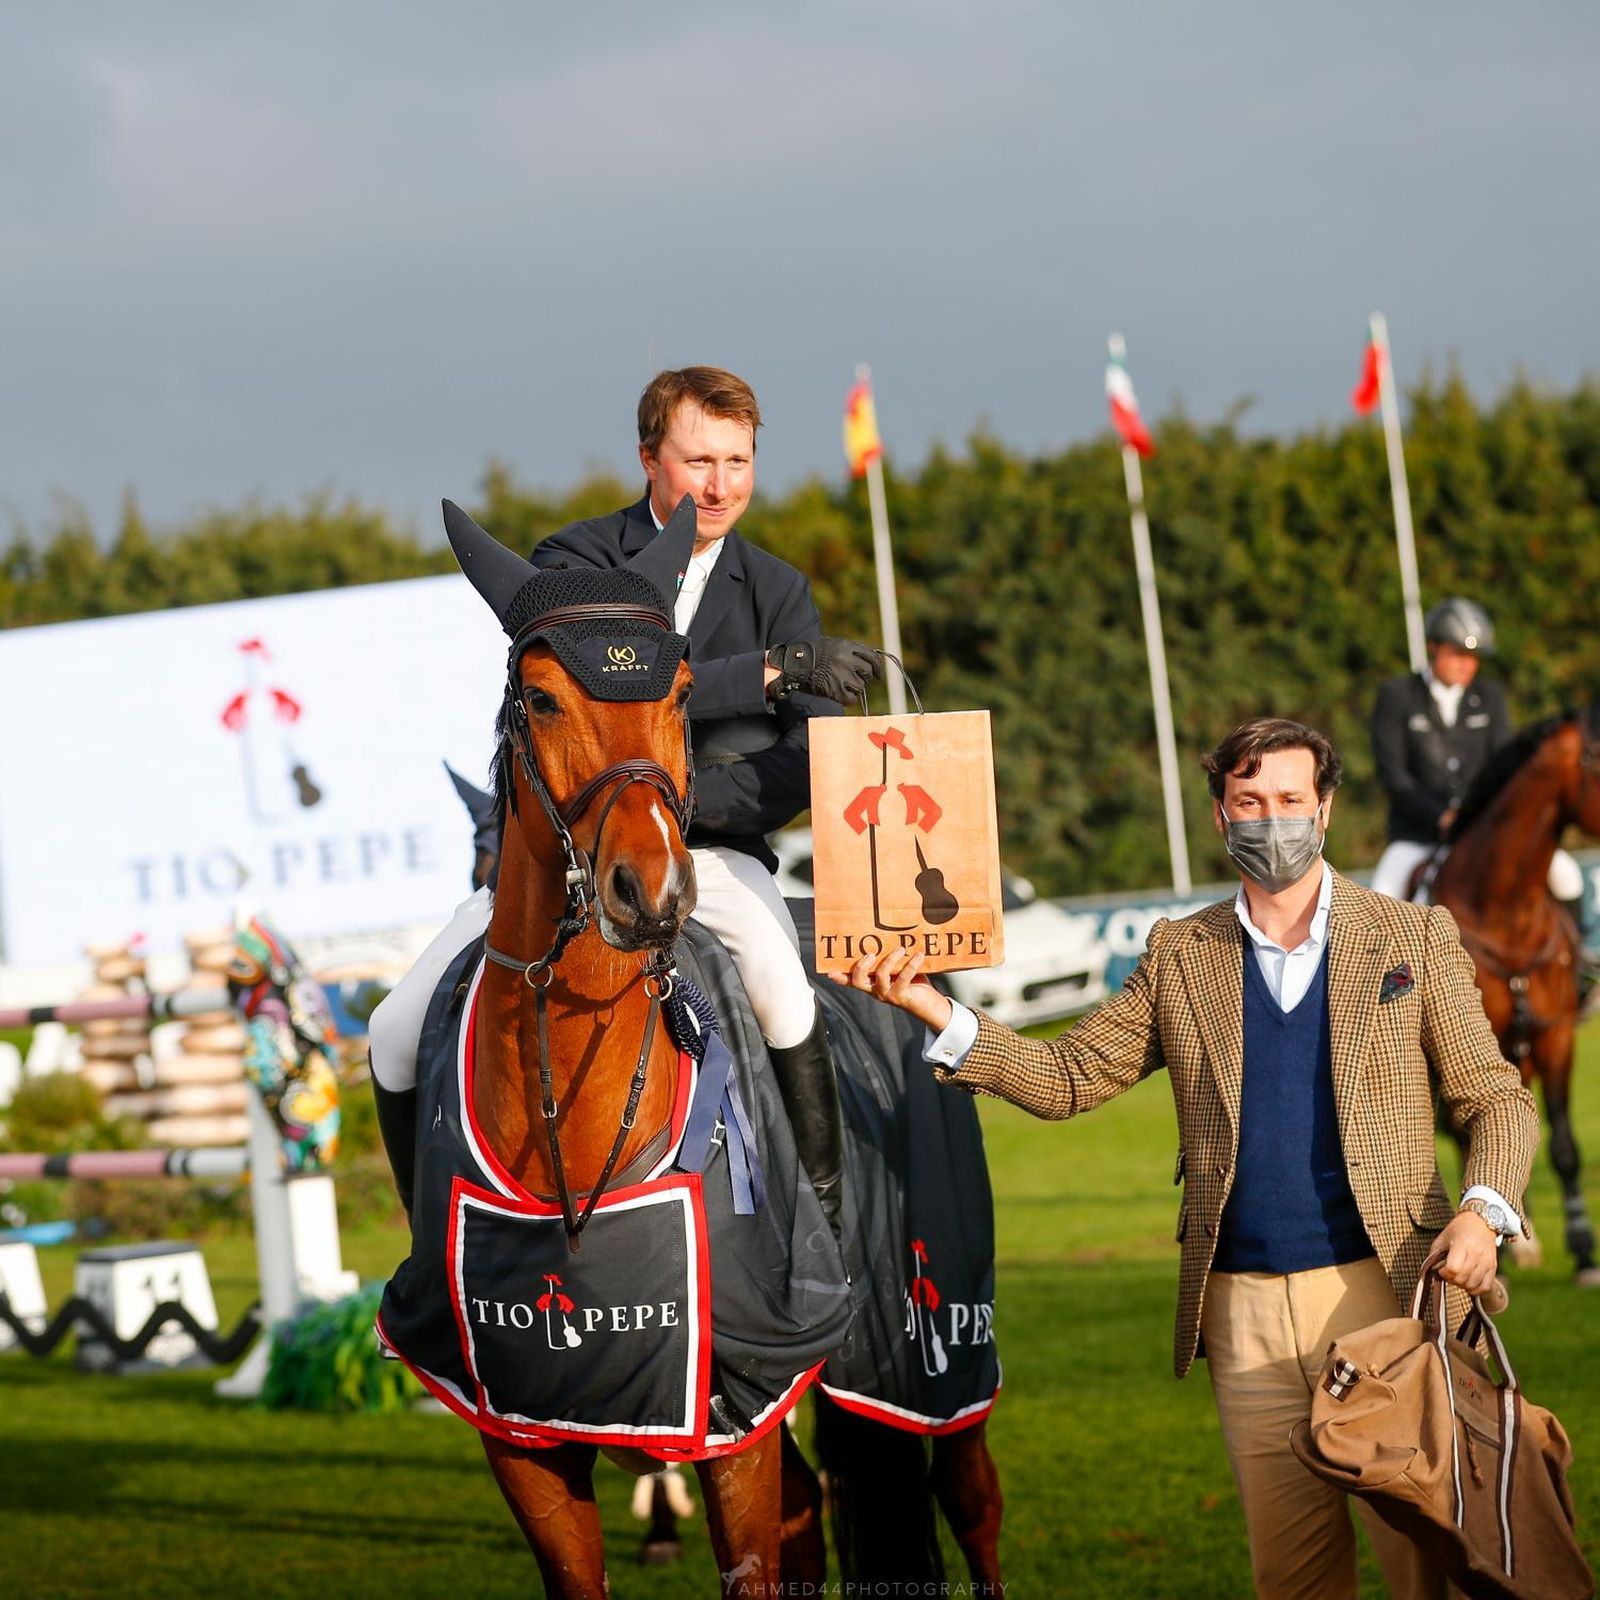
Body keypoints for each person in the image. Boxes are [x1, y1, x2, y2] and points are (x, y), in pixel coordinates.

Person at [836, 717, 1539, 1600]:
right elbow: (1069, 1075)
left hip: (1387, 1293)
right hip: (1239, 1313)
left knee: (1426, 1567)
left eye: (1289, 799)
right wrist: (938, 1013)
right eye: (1249, 802)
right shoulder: (1180, 952)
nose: (1270, 819)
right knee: (1292, 1579)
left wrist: (1483, 1210)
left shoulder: (1412, 936)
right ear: (1220, 815)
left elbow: (1497, 1098)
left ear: (1324, 810)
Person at [369, 366, 880, 1235]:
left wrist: (673, 813)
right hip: (566, 853)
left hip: (711, 852)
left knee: (780, 989)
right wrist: (758, 676)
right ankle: (432, 1248)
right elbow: (614, 684)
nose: (719, 485)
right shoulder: (574, 561)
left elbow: (805, 760)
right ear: (649, 459)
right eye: (698, 460)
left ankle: (820, 1226)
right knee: (392, 1026)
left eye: (738, 461)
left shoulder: (778, 590)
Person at [1370, 597, 1588, 925]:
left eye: (1473, 657)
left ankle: (1576, 962)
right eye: (1458, 654)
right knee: (1383, 893)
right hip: (1419, 836)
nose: (1467, 665)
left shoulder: (1490, 698)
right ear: (1433, 647)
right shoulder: (1397, 696)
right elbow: (1394, 777)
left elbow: (1504, 768)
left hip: (1483, 830)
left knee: (1566, 873)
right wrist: (1441, 817)